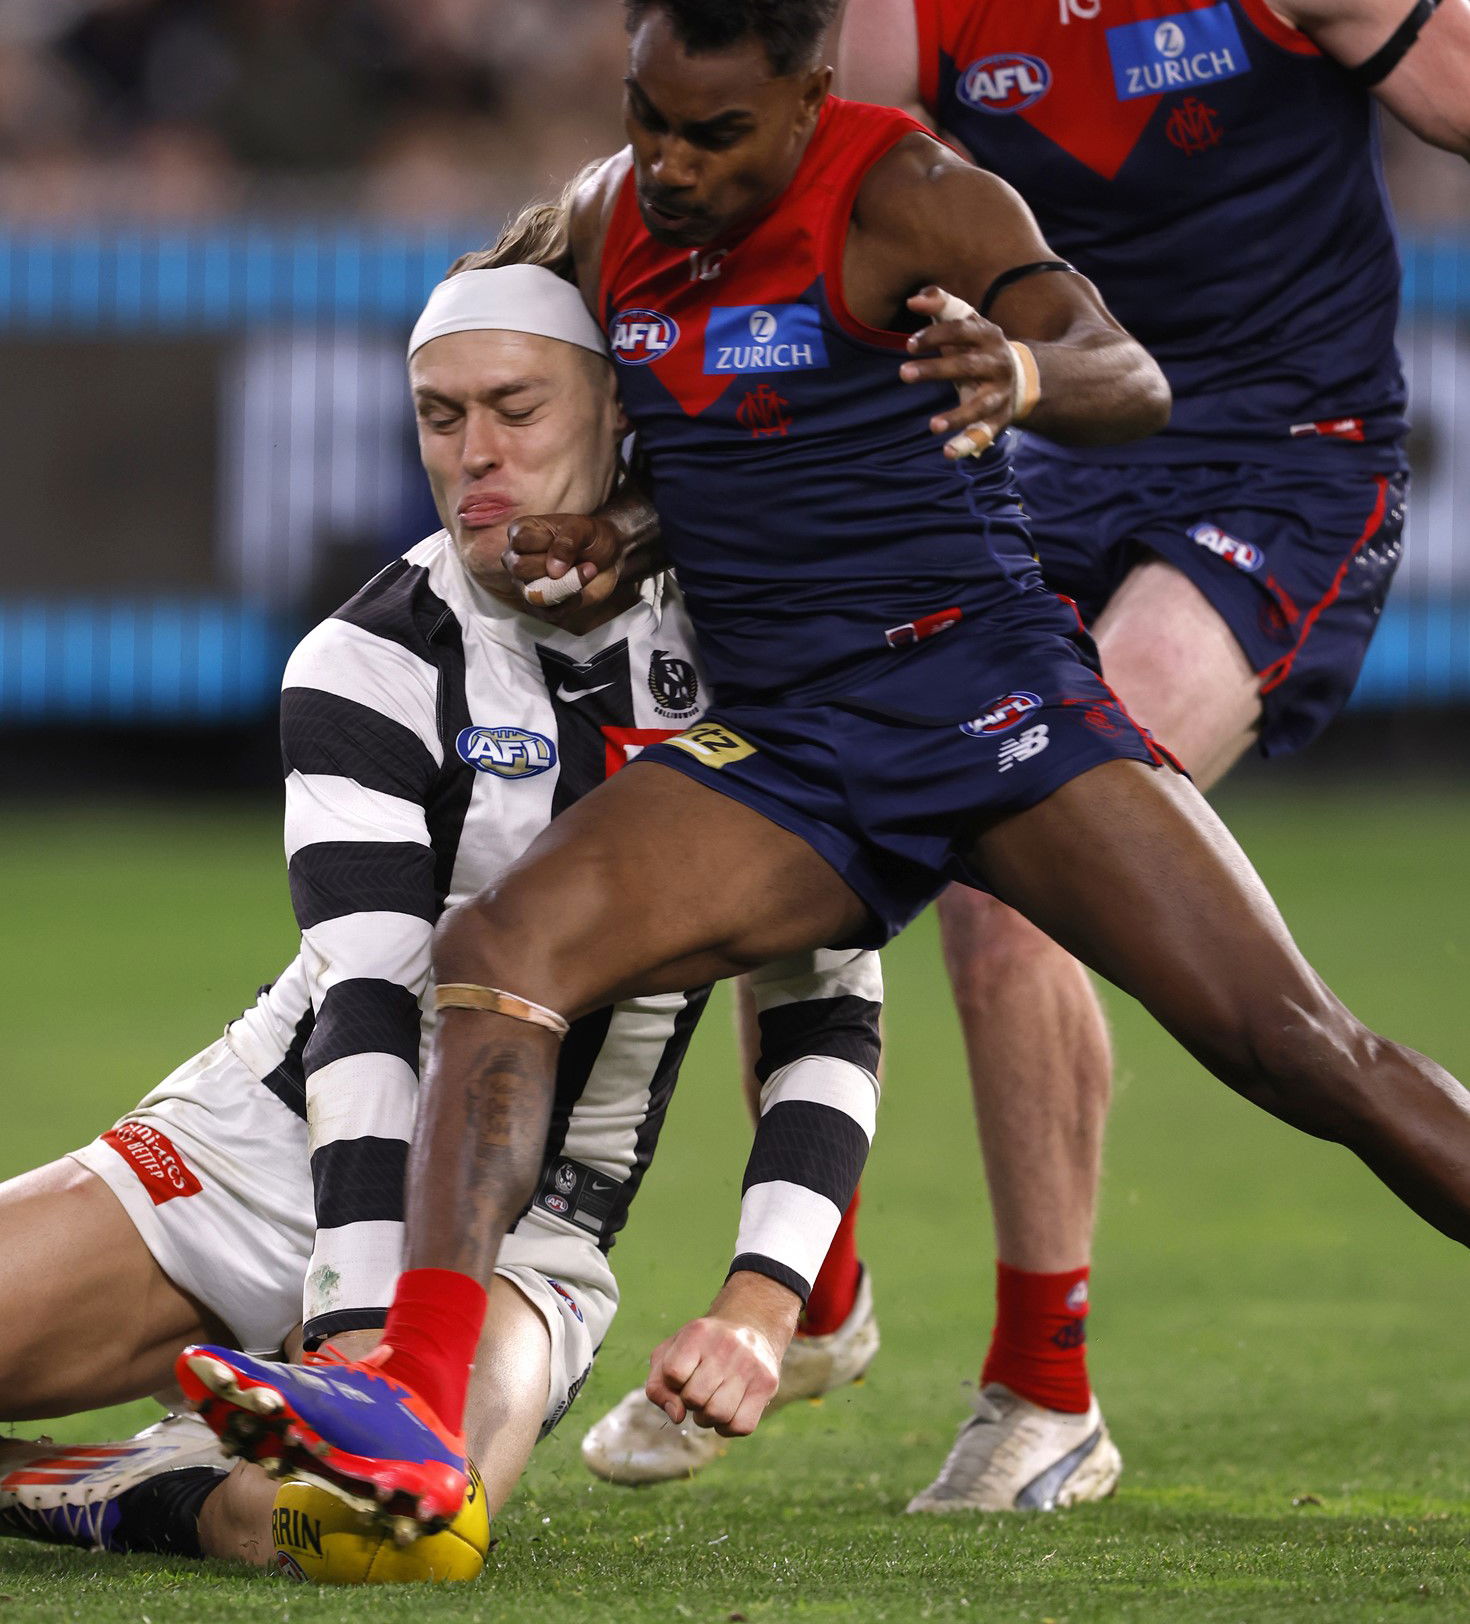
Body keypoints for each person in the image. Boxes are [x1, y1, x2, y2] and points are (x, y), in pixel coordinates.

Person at [175, 0, 1470, 1534]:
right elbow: (554, 363)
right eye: (647, 113)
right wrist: (614, 527)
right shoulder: (603, 216)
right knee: (497, 954)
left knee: (1303, 1054)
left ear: (804, 101)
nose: (671, 163)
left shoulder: (906, 191)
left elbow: (1121, 371)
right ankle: (410, 1402)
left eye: (715, 134)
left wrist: (1018, 369)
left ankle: (804, 1303)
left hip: (992, 707)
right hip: (789, 744)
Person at [765, 0, 1470, 1514]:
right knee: (763, 761)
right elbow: (816, 274)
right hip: (1038, 459)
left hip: (1285, 463)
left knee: (1022, 858)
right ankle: (808, 1270)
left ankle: (1041, 1393)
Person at [0, 250, 884, 1566]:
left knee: (399, 1527)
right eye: (439, 412)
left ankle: (96, 1485)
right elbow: (364, 1003)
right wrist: (362, 1326)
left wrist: (761, 1303)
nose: (473, 452)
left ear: (614, 412)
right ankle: (265, 1383)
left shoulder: (762, 655)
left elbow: (826, 1012)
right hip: (261, 1153)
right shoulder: (364, 660)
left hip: (535, 1231)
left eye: (514, 409)